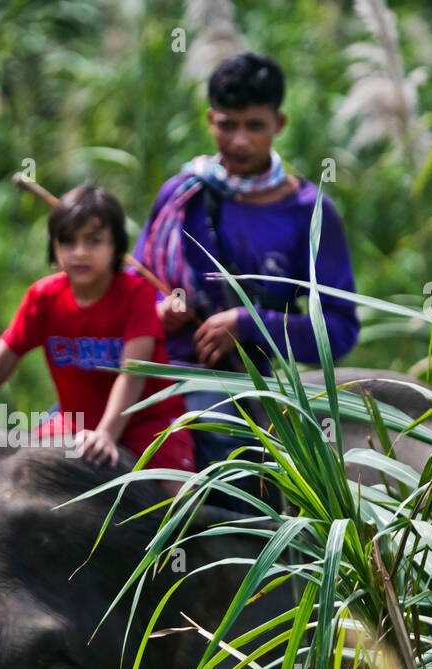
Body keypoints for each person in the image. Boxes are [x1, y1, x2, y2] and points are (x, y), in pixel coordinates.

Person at [132, 51, 359, 505]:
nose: (237, 141)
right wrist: (156, 311)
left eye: (253, 126)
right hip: (150, 369)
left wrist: (249, 324)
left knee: (227, 469)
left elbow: (339, 331)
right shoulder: (181, 195)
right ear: (209, 119)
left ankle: (253, 568)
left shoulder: (308, 212)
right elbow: (131, 287)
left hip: (237, 386)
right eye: (226, 124)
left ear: (279, 123)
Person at [0, 184, 195, 496]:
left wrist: (106, 433)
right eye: (68, 241)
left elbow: (134, 373)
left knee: (178, 499)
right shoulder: (43, 297)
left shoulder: (136, 294)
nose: (80, 252)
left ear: (116, 247)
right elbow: (2, 358)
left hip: (148, 424)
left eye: (94, 241)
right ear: (54, 247)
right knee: (18, 483)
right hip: (74, 423)